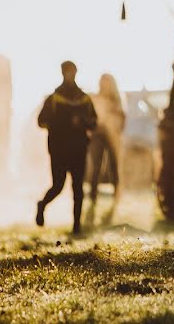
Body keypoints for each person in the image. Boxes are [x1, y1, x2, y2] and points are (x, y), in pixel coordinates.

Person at [36, 61, 97, 234]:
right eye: (67, 72)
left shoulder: (84, 99)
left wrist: (82, 122)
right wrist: (62, 123)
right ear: (62, 73)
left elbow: (94, 122)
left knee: (78, 188)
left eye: (72, 71)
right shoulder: (54, 98)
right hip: (59, 149)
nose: (70, 74)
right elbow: (41, 122)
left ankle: (76, 226)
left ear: (76, 72)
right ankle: (42, 205)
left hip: (79, 149)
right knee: (58, 186)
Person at [87, 73, 125, 223]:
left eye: (106, 82)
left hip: (112, 136)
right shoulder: (95, 98)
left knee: (113, 166)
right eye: (102, 81)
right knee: (96, 167)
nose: (103, 84)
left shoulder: (116, 100)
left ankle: (117, 195)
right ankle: (92, 197)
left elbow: (121, 118)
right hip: (97, 135)